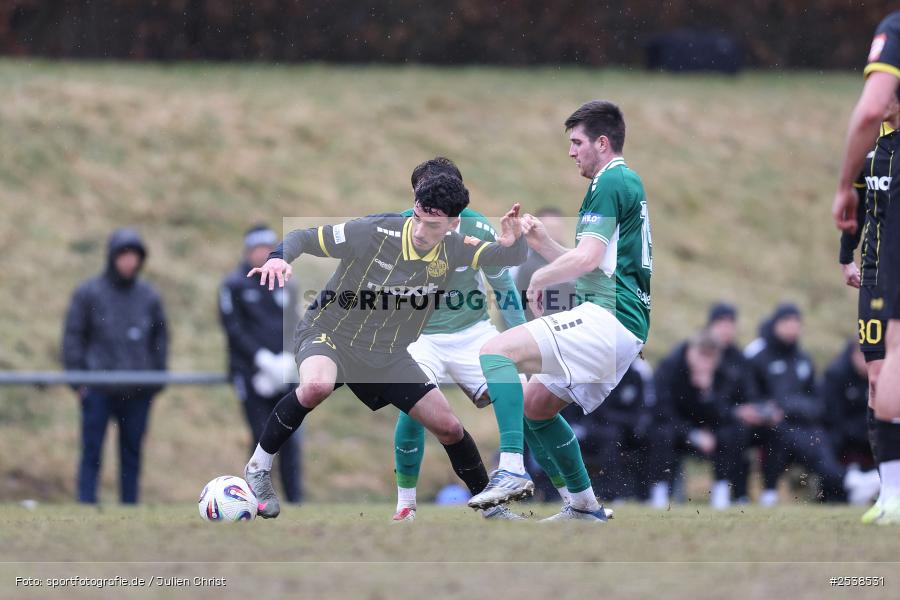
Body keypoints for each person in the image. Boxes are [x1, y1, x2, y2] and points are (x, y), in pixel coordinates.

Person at [242, 172, 528, 519]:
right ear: (414, 207)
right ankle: (258, 467)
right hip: (330, 333)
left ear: (453, 225)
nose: (421, 232)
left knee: (449, 427)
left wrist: (516, 243)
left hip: (385, 353)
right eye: (419, 219)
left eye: (433, 226)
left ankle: (490, 507)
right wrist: (278, 256)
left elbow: (503, 257)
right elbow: (305, 236)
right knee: (317, 385)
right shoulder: (373, 232)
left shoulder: (455, 249)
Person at [468, 100, 651, 522]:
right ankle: (584, 506)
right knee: (534, 405)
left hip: (610, 317)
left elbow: (585, 261)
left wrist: (540, 275)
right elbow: (596, 263)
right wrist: (543, 246)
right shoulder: (621, 183)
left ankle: (511, 469)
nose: (571, 152)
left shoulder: (611, 182)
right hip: (620, 320)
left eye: (577, 142)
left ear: (602, 143)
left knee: (496, 353)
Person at [392, 157, 561, 522]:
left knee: (529, 403)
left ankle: (572, 496)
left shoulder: (477, 227)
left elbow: (503, 288)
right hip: (418, 338)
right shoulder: (398, 228)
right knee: (413, 405)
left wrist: (523, 343)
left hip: (472, 332)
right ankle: (406, 505)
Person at [832, 10, 900, 524]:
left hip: (894, 275)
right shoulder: (873, 152)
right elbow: (855, 209)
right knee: (876, 381)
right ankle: (888, 492)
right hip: (873, 277)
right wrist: (845, 258)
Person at [62, 228, 168, 504]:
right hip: (98, 390)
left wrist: (155, 382)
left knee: (132, 453)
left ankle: (130, 505)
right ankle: (86, 504)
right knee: (91, 451)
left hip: (137, 392)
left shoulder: (149, 296)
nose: (129, 261)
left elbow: (160, 339)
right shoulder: (88, 293)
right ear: (112, 257)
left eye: (134, 256)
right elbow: (73, 337)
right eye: (124, 255)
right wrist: (79, 382)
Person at [744, 304, 879, 505]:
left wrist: (789, 409)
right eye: (788, 322)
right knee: (785, 434)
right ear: (776, 324)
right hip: (763, 426)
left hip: (799, 422)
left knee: (817, 437)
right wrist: (766, 409)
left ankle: (846, 486)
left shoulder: (803, 358)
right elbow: (747, 393)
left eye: (797, 323)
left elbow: (816, 402)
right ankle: (848, 482)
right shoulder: (757, 353)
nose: (792, 328)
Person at [219, 224, 303, 504]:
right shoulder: (234, 285)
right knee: (260, 436)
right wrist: (261, 361)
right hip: (250, 374)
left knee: (289, 438)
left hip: (284, 371)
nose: (262, 254)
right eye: (257, 249)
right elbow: (234, 330)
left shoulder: (287, 282)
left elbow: (296, 324)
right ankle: (255, 498)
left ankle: (295, 500)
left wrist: (288, 359)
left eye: (268, 248)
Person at [648, 330, 745, 510]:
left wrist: (707, 394)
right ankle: (659, 492)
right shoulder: (669, 368)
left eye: (711, 358)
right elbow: (662, 411)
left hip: (709, 433)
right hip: (677, 431)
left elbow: (725, 413)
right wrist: (692, 434)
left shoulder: (721, 373)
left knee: (733, 432)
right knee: (661, 433)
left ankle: (721, 491)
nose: (705, 363)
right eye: (702, 356)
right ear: (691, 351)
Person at [565, 358, 655, 502]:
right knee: (611, 436)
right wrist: (626, 421)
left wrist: (631, 424)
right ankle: (611, 494)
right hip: (596, 428)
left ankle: (649, 495)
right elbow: (601, 412)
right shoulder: (599, 372)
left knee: (655, 436)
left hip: (627, 432)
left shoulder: (635, 375)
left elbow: (641, 410)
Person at [705, 302, 761, 503]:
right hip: (701, 421)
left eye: (731, 323)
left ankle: (742, 494)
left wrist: (753, 410)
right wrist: (734, 412)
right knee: (730, 433)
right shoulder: (698, 352)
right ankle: (720, 489)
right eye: (721, 322)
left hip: (731, 421)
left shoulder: (739, 358)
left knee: (743, 432)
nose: (726, 328)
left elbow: (749, 392)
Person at [823, 340, 877, 482]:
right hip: (842, 433)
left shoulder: (880, 375)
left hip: (870, 431)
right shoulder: (836, 375)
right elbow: (833, 417)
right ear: (854, 355)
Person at [514, 207, 577, 320]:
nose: (554, 232)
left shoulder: (576, 260)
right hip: (542, 328)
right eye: (549, 228)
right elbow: (516, 305)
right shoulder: (527, 265)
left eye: (557, 228)